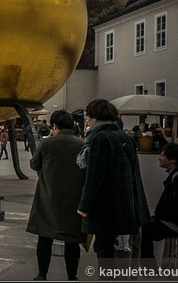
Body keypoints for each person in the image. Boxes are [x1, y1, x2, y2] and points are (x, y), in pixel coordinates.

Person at [76, 99, 142, 261]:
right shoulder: (124, 137)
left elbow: (94, 177)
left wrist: (84, 205)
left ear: (95, 117)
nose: (87, 120)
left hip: (104, 203)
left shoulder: (99, 139)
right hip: (123, 200)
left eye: (88, 117)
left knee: (103, 248)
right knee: (108, 245)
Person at [26, 110, 86, 281]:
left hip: (48, 197)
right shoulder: (81, 144)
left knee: (45, 238)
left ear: (54, 126)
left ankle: (42, 274)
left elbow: (34, 164)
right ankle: (72, 276)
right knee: (72, 241)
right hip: (73, 199)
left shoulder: (47, 143)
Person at [140, 143, 178, 258]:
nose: (159, 158)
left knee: (140, 229)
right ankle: (147, 265)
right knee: (145, 226)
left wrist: (162, 217)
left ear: (173, 159)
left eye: (162, 155)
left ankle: (147, 267)